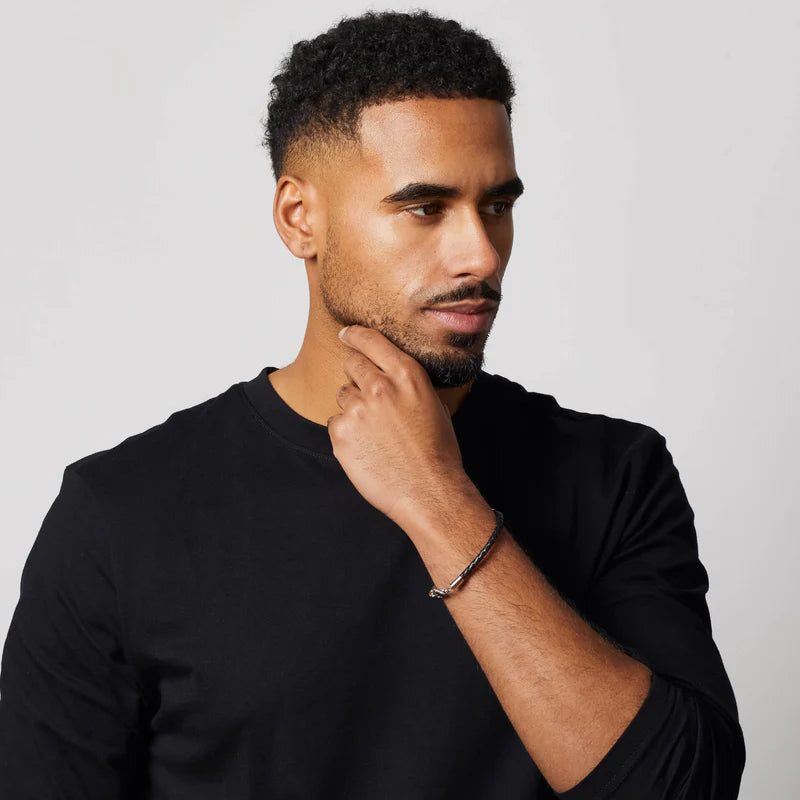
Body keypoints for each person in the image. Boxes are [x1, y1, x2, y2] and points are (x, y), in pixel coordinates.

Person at [0, 9, 745, 799]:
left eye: (497, 205)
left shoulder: (614, 474)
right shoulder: (122, 512)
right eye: (425, 207)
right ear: (300, 218)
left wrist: (437, 499)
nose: (480, 254)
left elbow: (682, 790)